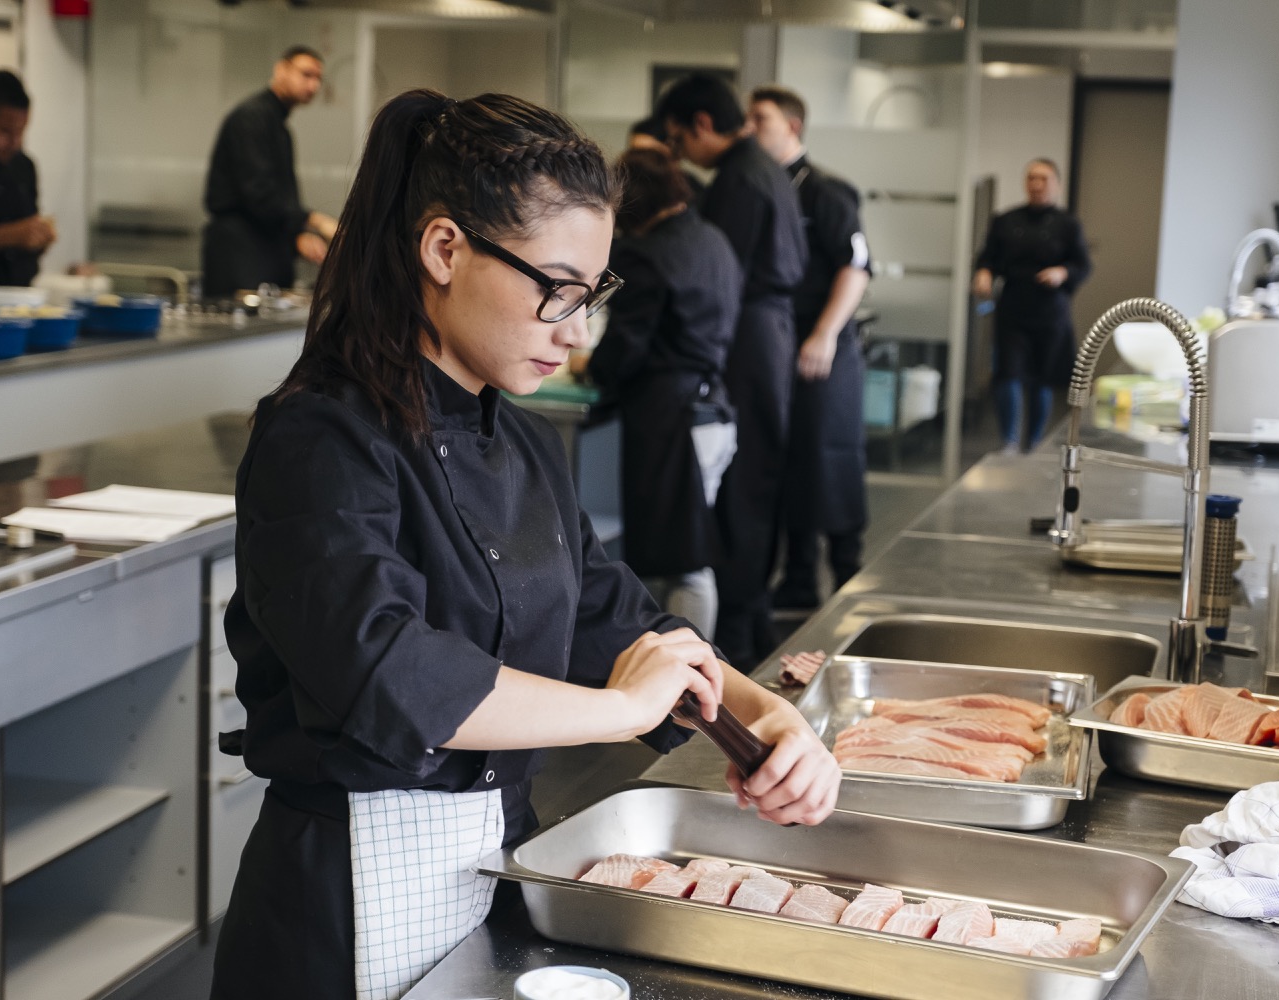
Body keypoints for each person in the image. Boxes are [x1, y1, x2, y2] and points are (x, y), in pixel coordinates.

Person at [209, 90, 839, 1000]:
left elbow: (614, 618)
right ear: (444, 250)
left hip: (489, 871)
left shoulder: (528, 445)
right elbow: (388, 672)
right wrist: (621, 713)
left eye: (593, 297)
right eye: (556, 292)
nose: (576, 332)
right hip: (334, 908)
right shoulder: (321, 438)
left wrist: (765, 724)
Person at [656, 73, 807, 671]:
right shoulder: (758, 168)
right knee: (757, 481)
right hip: (766, 335)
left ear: (699, 124)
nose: (679, 153)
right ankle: (751, 620)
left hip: (748, 337)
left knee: (742, 489)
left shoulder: (740, 179)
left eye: (678, 138)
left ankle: (741, 635)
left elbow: (722, 276)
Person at [588, 148, 741, 637]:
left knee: (683, 560)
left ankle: (691, 684)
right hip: (714, 411)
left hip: (671, 419)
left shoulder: (648, 253)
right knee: (687, 552)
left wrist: (592, 367)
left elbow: (625, 347)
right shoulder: (713, 238)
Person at [748, 86, 871, 610]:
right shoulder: (757, 187)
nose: (751, 129)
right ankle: (798, 579)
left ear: (792, 127)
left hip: (825, 349)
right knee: (791, 463)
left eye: (761, 119)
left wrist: (822, 333)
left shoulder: (825, 190)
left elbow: (856, 266)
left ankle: (849, 574)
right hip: (777, 351)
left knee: (829, 458)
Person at [972, 158, 1091, 454]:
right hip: (1014, 307)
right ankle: (1008, 441)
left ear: (1056, 184)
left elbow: (1082, 265)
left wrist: (1062, 272)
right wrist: (984, 273)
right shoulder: (1006, 220)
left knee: (1042, 379)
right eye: (1032, 178)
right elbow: (988, 257)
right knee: (1008, 374)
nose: (1037, 184)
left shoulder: (1068, 224)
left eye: (1044, 179)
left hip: (1050, 311)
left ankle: (1034, 442)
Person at [201, 45, 338, 298]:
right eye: (306, 74)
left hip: (261, 251)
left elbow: (277, 200)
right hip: (240, 254)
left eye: (318, 78)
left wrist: (297, 235)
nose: (314, 86)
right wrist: (314, 220)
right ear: (280, 69)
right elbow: (258, 194)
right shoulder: (251, 118)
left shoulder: (277, 125)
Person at [0, 70, 55, 287]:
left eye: (21, 132)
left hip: (22, 297)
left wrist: (40, 237)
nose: (14, 142)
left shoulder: (24, 166)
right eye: (4, 132)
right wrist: (9, 235)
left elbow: (27, 241)